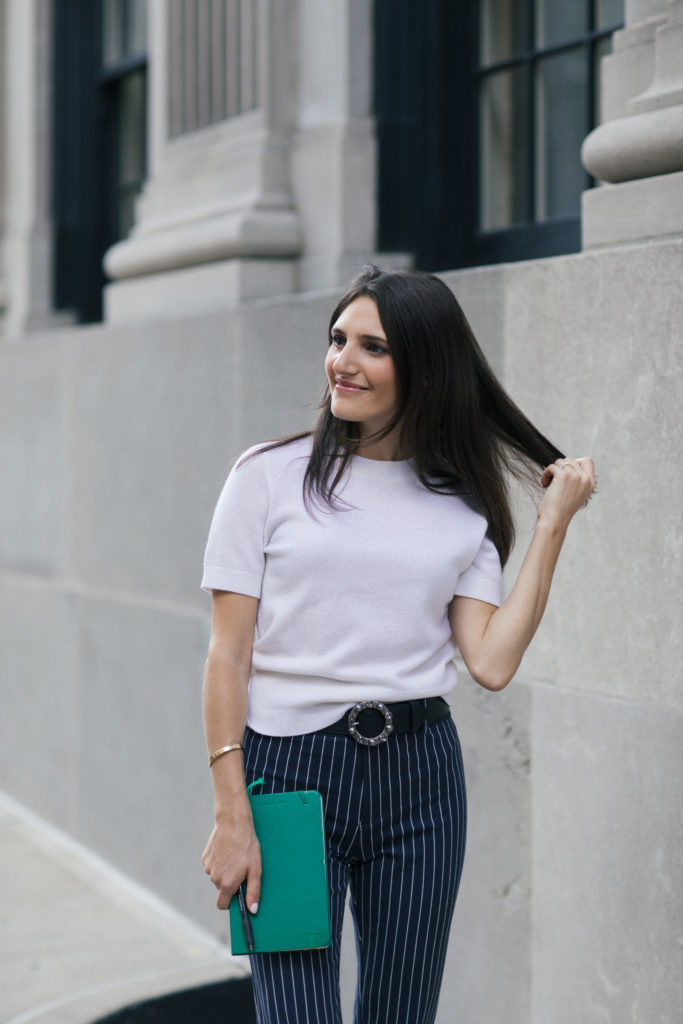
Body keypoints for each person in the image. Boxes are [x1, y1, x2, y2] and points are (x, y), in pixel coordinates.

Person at [200, 265, 595, 1024]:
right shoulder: (267, 478)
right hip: (288, 775)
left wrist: (549, 528)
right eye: (337, 339)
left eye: (372, 347)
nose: (342, 361)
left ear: (422, 367)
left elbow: (491, 661)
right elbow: (227, 654)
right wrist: (230, 812)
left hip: (420, 781)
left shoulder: (460, 504)